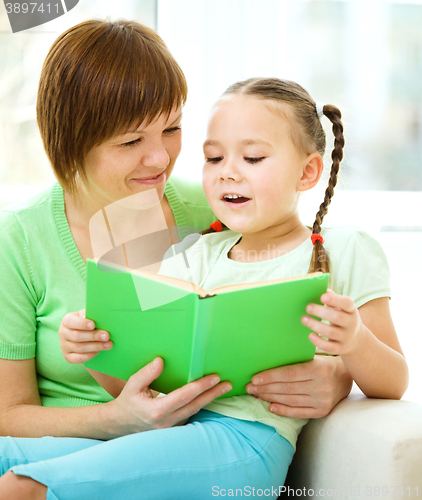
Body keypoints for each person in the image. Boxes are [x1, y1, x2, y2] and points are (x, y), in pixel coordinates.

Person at [0, 18, 357, 498]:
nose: (160, 159)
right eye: (130, 142)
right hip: (78, 444)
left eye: (171, 129)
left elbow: (309, 268)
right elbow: (8, 414)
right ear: (71, 140)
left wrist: (336, 374)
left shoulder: (216, 211)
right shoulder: (20, 239)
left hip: (188, 449)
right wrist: (114, 419)